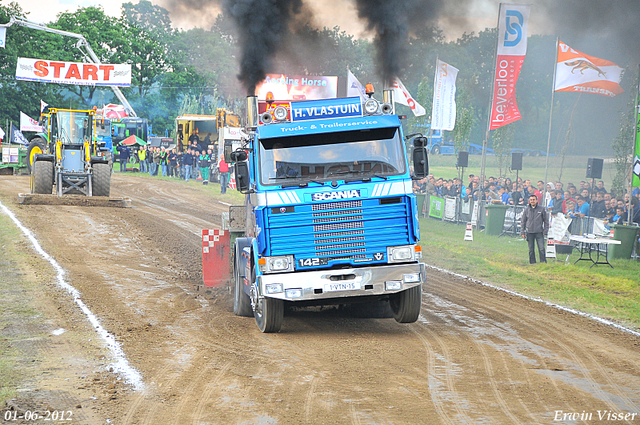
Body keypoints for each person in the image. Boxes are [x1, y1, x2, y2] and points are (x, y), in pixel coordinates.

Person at [521, 194, 549, 264]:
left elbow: (546, 221)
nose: (532, 201)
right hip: (529, 232)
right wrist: (522, 232)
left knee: (541, 248)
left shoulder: (542, 209)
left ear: (536, 200)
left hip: (539, 232)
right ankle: (532, 262)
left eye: (533, 200)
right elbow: (523, 221)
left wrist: (545, 230)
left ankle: (543, 262)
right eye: (531, 200)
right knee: (531, 249)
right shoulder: (527, 209)